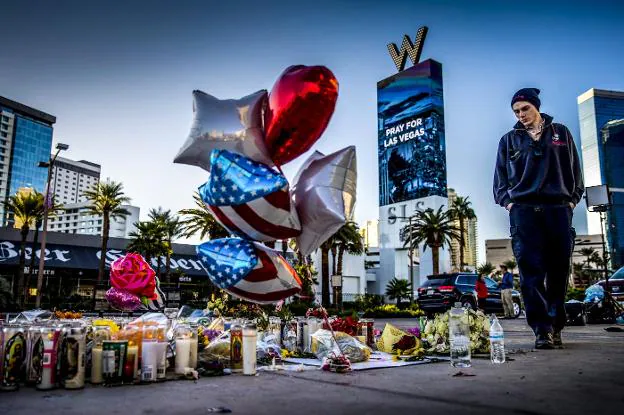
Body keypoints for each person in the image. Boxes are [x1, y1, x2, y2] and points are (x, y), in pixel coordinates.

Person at [493, 88, 583, 349]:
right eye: (516, 111)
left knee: (558, 271)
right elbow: (499, 180)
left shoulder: (561, 133)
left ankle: (556, 326)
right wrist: (509, 203)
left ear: (537, 108)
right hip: (524, 212)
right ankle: (541, 331)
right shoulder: (508, 140)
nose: (521, 115)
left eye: (525, 109)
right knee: (531, 275)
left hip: (558, 209)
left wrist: (572, 199)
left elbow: (575, 170)